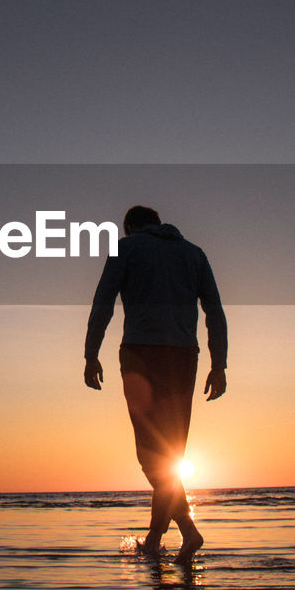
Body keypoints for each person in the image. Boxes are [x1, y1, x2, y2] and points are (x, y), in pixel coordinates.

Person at [84, 205, 227, 563]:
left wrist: (91, 354)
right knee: (169, 453)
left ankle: (189, 530)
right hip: (183, 357)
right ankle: (153, 540)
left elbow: (104, 303)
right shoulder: (194, 254)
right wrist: (219, 364)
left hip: (140, 354)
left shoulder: (126, 248)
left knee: (151, 455)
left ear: (130, 226)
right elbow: (215, 311)